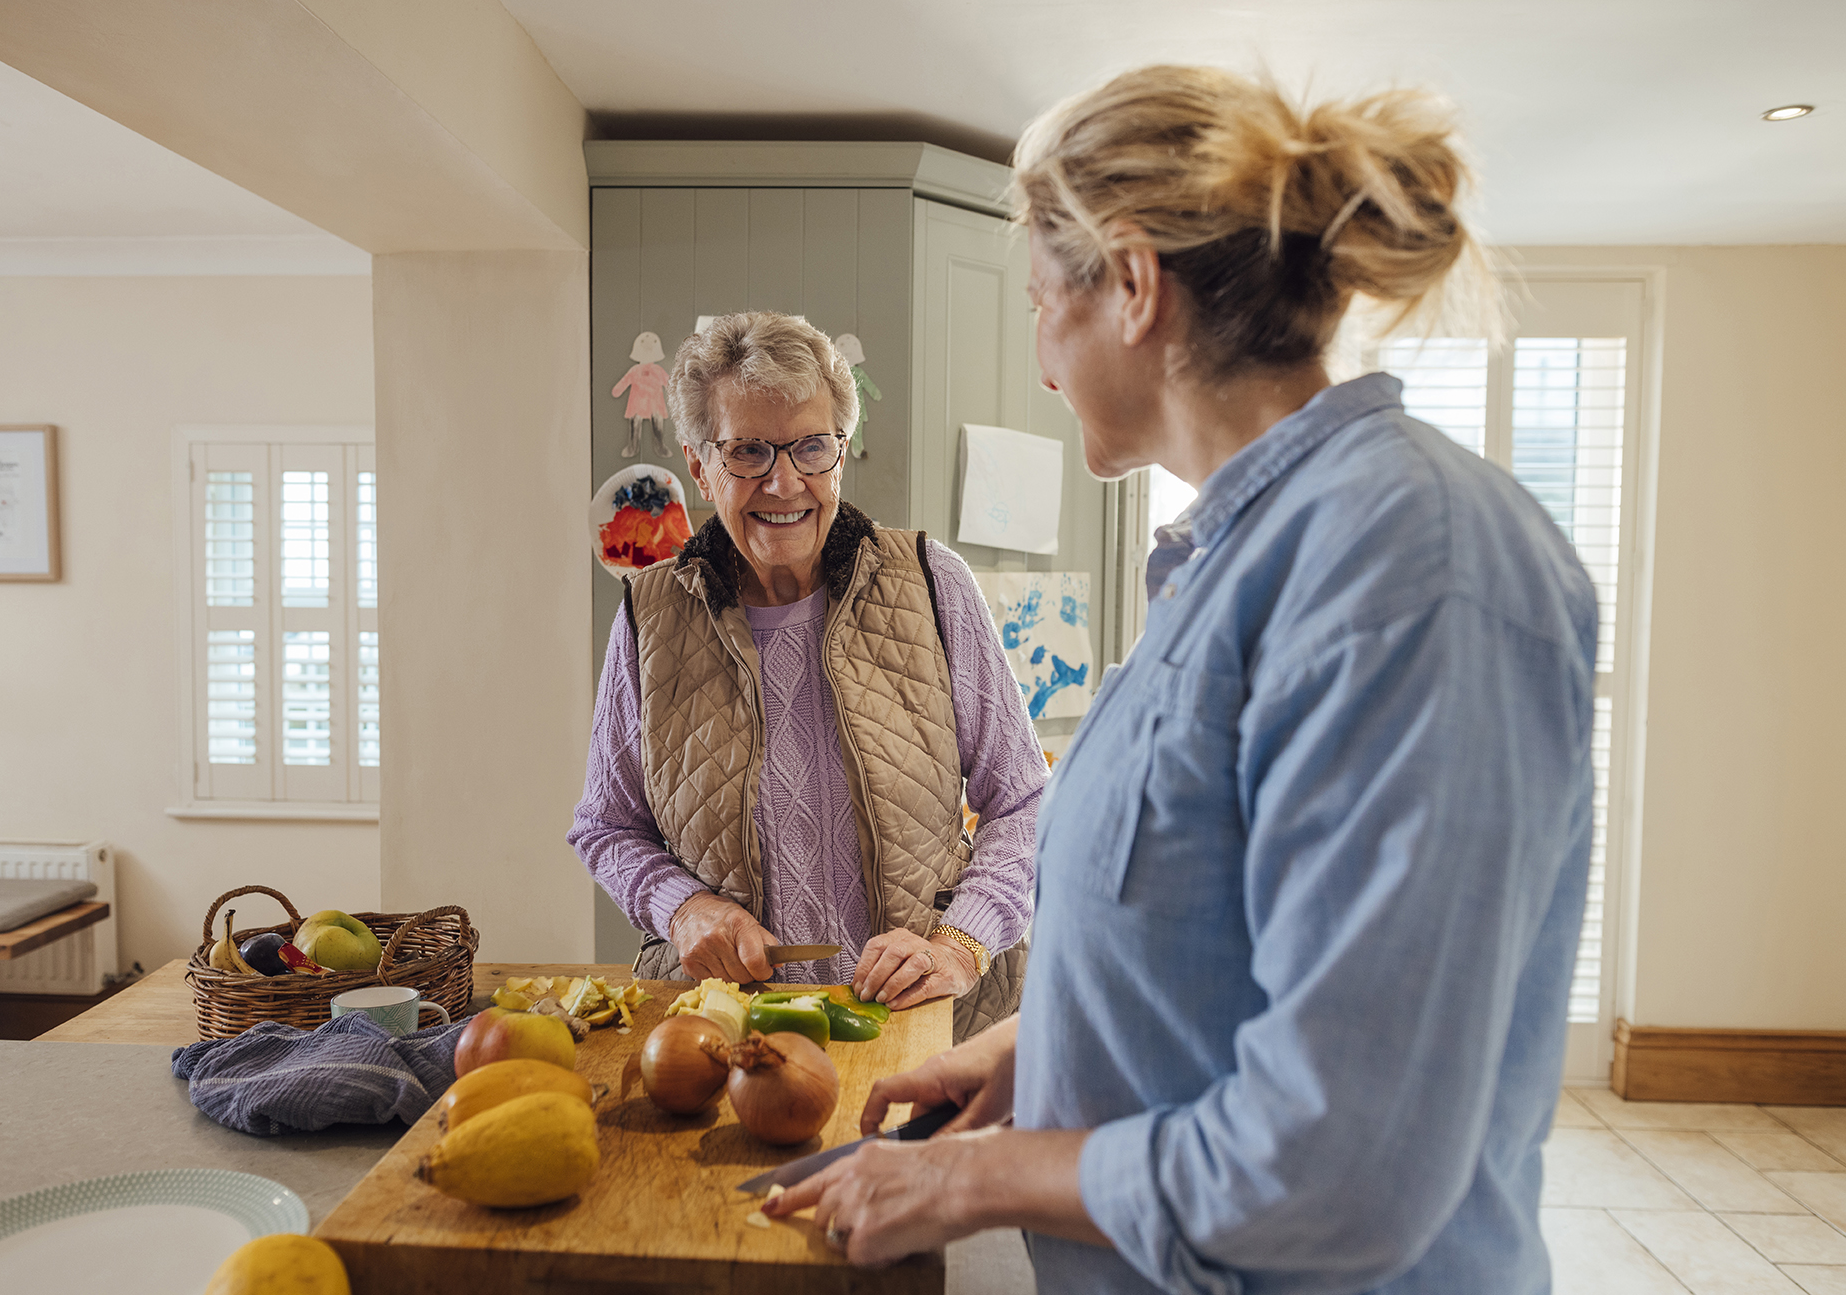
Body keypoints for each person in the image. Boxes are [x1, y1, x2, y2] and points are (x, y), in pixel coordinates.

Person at [766, 65, 1598, 1294]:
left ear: (1135, 284)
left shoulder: (1410, 564)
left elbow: (1340, 1164)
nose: (1043, 363)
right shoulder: (1225, 558)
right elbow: (1216, 929)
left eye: (1042, 304)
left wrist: (972, 1175)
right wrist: (1047, 1049)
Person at [568, 312, 1046, 1040]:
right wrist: (682, 907)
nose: (783, 480)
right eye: (748, 451)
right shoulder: (648, 615)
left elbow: (1023, 804)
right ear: (700, 466)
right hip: (727, 1036)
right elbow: (606, 827)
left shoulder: (929, 581)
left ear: (839, 455)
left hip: (926, 1030)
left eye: (810, 447)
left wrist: (961, 943)